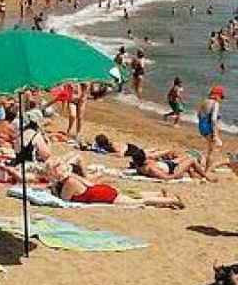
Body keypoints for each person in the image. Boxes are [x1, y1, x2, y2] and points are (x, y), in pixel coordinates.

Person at [45, 155, 184, 209]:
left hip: (104, 196)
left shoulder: (69, 182)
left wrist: (54, 189)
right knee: (133, 198)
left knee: (138, 203)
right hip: (102, 191)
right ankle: (160, 194)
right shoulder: (73, 177)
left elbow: (64, 201)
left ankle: (172, 200)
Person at [197, 85, 224, 179]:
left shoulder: (204, 101)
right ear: (217, 95)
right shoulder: (215, 103)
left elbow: (199, 114)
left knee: (209, 148)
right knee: (214, 148)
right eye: (221, 97)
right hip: (209, 127)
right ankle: (206, 171)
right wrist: (215, 134)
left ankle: (203, 166)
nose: (221, 99)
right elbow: (213, 119)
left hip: (202, 125)